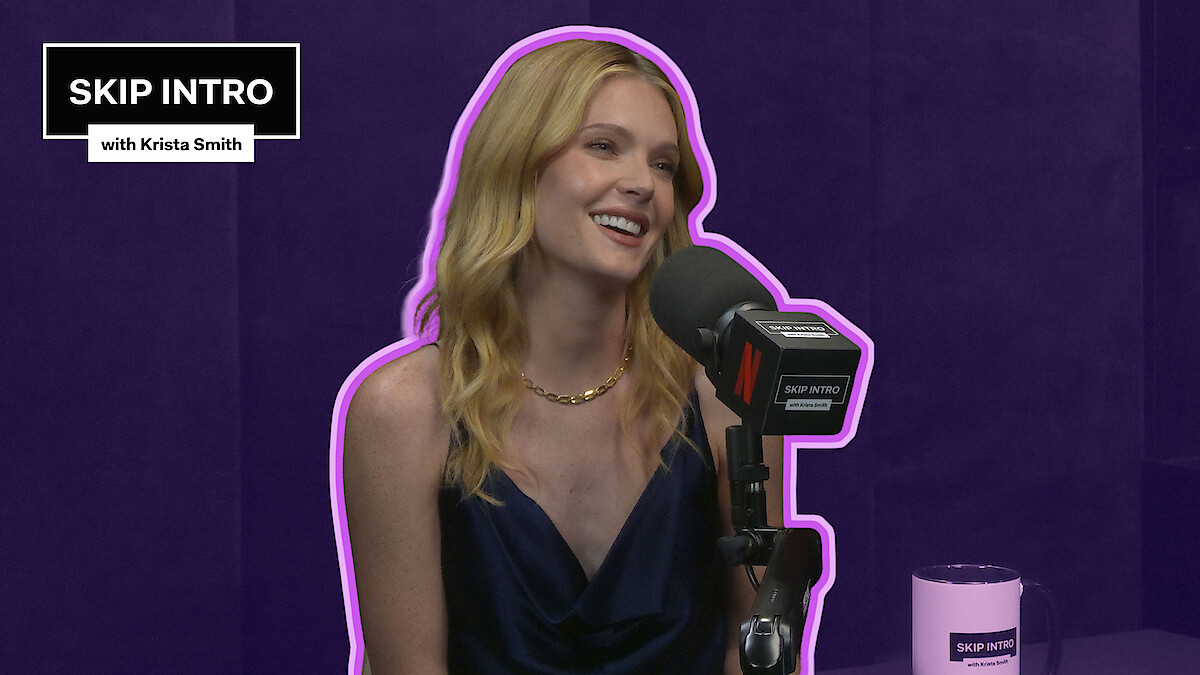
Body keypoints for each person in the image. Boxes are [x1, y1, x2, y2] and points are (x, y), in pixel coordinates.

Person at [343, 37, 785, 674]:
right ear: (519, 166)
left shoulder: (724, 393)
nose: (641, 184)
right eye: (603, 146)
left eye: (663, 164)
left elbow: (758, 653)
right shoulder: (403, 410)